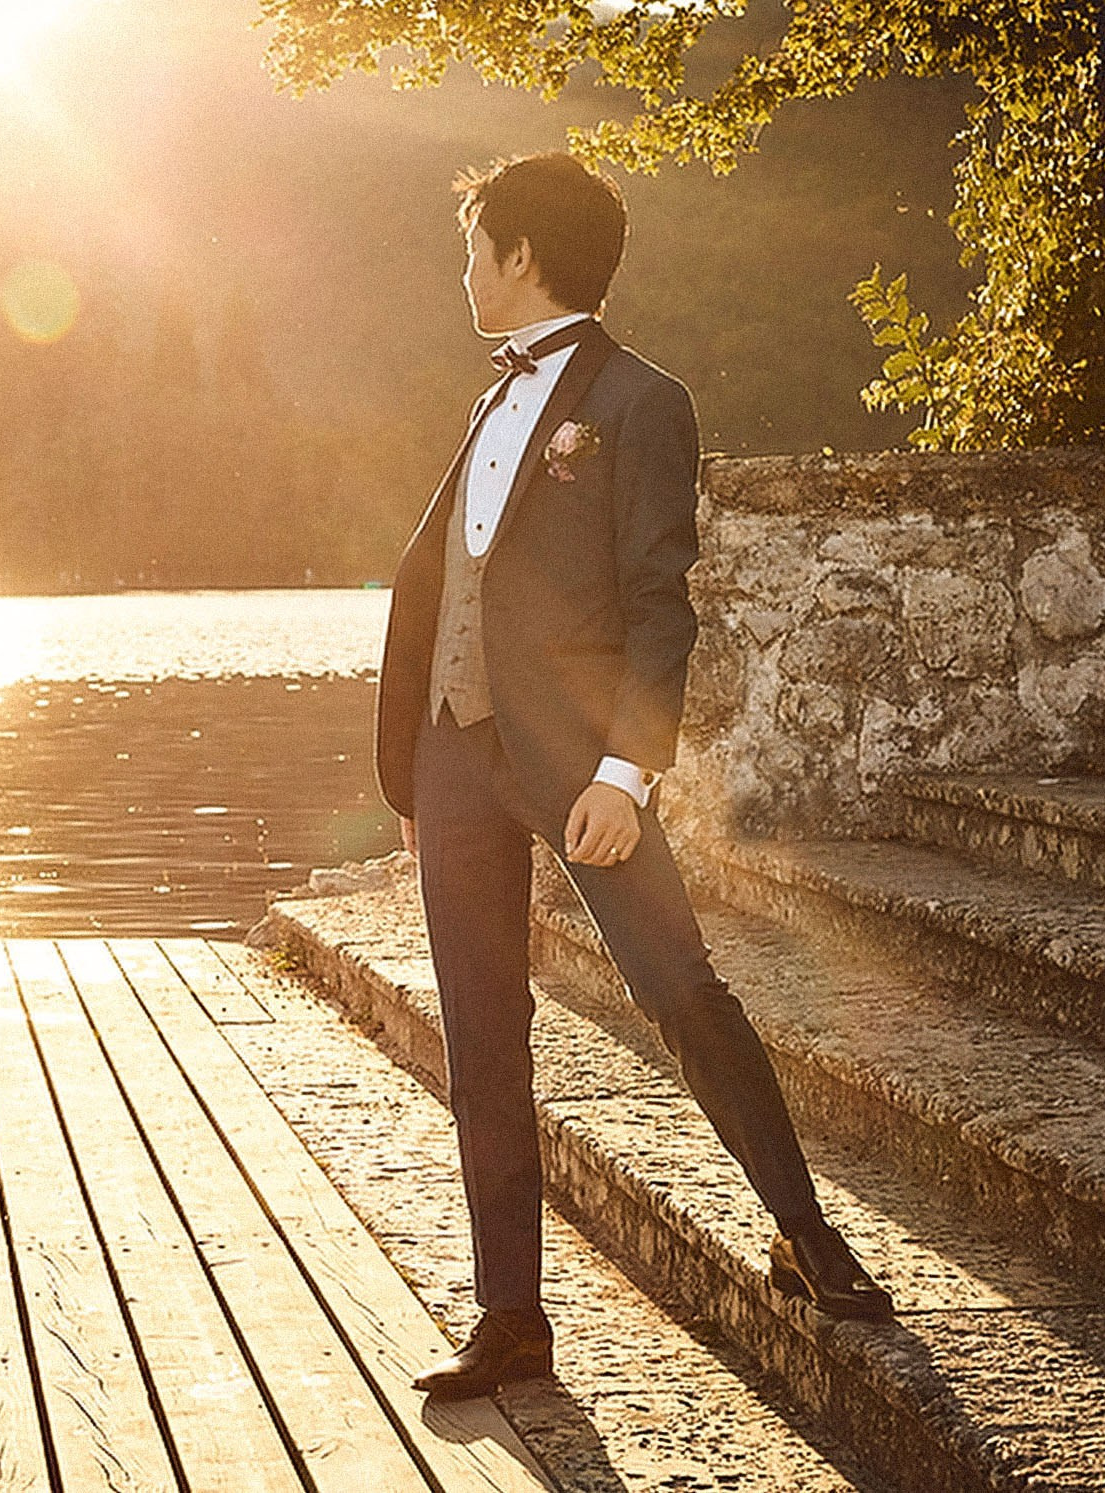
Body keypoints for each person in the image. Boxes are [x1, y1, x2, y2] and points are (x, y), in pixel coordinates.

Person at [374, 153, 893, 1399]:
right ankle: (510, 1316)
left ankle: (804, 1233)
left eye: (473, 247)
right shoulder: (490, 402)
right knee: (482, 1033)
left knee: (679, 986)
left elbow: (661, 606)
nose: (463, 269)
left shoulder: (646, 404)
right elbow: (463, 579)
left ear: (521, 256)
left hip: (579, 765)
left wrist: (625, 768)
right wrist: (424, 762)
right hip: (454, 756)